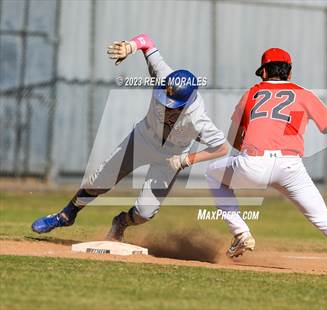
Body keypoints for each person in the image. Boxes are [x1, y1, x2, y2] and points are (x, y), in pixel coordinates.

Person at [205, 48, 327, 276]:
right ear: (289, 73)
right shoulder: (304, 94)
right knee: (323, 217)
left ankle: (241, 233)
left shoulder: (251, 94)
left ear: (263, 73)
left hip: (253, 164)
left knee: (212, 174)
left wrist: (252, 154)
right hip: (290, 166)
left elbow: (234, 138)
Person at [32, 34, 228, 241]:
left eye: (173, 104)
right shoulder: (164, 76)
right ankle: (66, 214)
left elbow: (222, 147)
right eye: (165, 97)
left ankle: (121, 222)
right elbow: (147, 42)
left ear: (187, 103)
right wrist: (130, 46)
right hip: (143, 139)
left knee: (145, 213)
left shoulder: (197, 118)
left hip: (171, 156)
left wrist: (186, 160)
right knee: (99, 180)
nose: (166, 105)